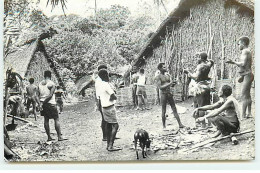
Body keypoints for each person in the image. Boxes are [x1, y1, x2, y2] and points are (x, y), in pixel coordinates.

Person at [226, 36, 254, 119]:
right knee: (247, 95)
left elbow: (243, 64)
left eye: (239, 44)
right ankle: (249, 113)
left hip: (247, 75)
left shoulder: (245, 51)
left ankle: (243, 115)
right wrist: (241, 76)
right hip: (247, 74)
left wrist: (232, 62)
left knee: (244, 95)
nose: (238, 46)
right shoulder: (247, 51)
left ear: (243, 43)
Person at [36, 70, 67, 142]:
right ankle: (59, 137)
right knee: (56, 119)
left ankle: (49, 137)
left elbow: (37, 95)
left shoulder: (40, 84)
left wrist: (40, 103)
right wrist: (43, 103)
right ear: (50, 76)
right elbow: (50, 95)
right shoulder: (51, 84)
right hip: (51, 103)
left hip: (43, 104)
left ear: (44, 75)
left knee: (46, 120)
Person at [155, 63, 184, 129]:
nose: (165, 68)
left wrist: (174, 83)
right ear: (160, 68)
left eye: (165, 67)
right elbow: (160, 87)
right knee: (163, 110)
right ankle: (164, 126)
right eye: (164, 67)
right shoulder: (158, 77)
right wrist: (170, 83)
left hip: (169, 93)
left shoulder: (168, 75)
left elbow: (170, 85)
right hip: (163, 94)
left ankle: (180, 124)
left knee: (174, 109)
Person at [98, 69, 122, 151]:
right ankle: (111, 145)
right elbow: (113, 96)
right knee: (115, 125)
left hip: (104, 107)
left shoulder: (100, 85)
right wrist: (113, 98)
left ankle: (108, 145)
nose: (109, 76)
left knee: (108, 126)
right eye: (108, 75)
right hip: (110, 107)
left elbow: (100, 97)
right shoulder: (106, 85)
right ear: (105, 75)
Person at [93, 64, 108, 141]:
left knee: (107, 118)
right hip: (101, 101)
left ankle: (108, 135)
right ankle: (105, 136)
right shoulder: (99, 81)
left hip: (102, 100)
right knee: (104, 119)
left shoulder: (101, 80)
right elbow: (98, 94)